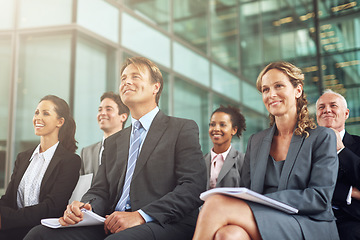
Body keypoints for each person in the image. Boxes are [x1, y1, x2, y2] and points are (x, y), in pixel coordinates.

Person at [25, 57, 207, 240]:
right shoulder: (114, 142)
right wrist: (86, 207)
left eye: (135, 76)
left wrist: (141, 215)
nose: (127, 81)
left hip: (162, 222)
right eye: (123, 78)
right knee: (40, 234)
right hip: (111, 222)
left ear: (156, 87)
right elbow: (99, 190)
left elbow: (193, 186)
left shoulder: (181, 129)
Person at [193, 61, 339, 240]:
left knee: (215, 204)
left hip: (307, 223)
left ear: (298, 90)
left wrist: (268, 202)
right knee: (228, 235)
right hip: (264, 218)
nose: (271, 94)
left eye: (279, 86)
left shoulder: (322, 137)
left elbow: (320, 198)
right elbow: (245, 190)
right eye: (265, 89)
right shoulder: (256, 141)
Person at [0, 95, 81, 240]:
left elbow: (52, 207)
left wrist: (6, 219)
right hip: (13, 227)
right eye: (36, 112)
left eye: (46, 113)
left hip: (42, 230)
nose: (38, 117)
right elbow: (8, 199)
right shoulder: (23, 157)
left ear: (60, 122)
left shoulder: (70, 161)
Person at [316, 89, 360, 240]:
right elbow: (303, 183)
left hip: (351, 220)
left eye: (333, 105)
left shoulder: (359, 144)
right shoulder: (305, 148)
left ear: (346, 113)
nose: (326, 110)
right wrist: (350, 192)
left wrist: (341, 149)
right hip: (312, 216)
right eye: (321, 107)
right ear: (317, 116)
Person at [80, 91, 129, 177]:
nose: (102, 113)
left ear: (123, 117)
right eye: (100, 110)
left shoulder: (131, 148)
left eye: (108, 109)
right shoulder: (86, 153)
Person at [205, 105, 246, 189]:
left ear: (234, 130)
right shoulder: (200, 161)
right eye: (212, 124)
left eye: (222, 125)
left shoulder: (243, 161)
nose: (216, 129)